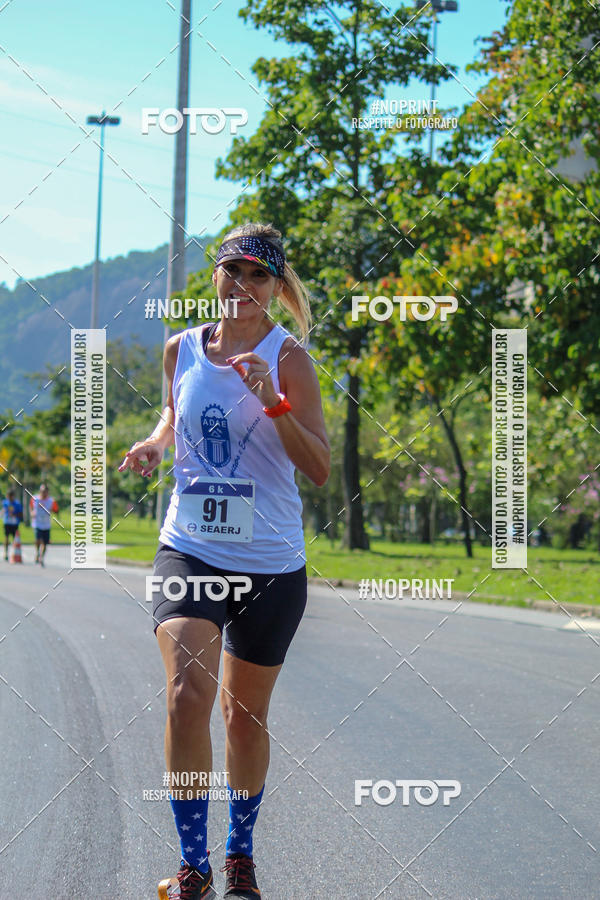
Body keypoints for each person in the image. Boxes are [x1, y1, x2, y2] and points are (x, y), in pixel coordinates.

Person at [119, 223, 330, 899]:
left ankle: (239, 856)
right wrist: (155, 442)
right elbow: (173, 414)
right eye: (232, 271)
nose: (242, 285)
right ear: (215, 276)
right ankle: (193, 867)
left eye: (258, 275)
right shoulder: (181, 348)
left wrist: (275, 402)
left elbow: (319, 466)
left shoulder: (290, 357)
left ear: (276, 287)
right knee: (188, 696)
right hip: (191, 549)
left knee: (244, 717)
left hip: (270, 561)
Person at [30, 483, 58, 567]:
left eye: (45, 492)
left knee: (45, 543)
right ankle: (37, 553)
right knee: (38, 540)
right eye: (42, 491)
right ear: (40, 491)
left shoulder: (51, 501)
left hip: (46, 524)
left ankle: (41, 557)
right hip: (37, 523)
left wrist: (52, 511)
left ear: (47, 492)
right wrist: (32, 513)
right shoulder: (35, 498)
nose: (43, 493)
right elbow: (31, 506)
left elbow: (56, 510)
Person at [3, 489, 23, 560]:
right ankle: (5, 553)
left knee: (15, 539)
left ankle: (14, 553)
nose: (9, 498)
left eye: (11, 496)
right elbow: (4, 511)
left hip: (14, 523)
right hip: (7, 522)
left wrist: (15, 514)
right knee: (6, 537)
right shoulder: (5, 503)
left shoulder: (17, 504)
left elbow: (20, 514)